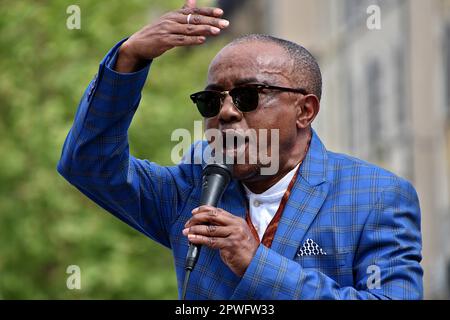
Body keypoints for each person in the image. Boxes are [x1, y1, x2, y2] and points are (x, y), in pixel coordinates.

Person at [57, 0, 423, 299]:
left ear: (305, 110)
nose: (227, 111)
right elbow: (89, 165)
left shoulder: (377, 195)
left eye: (249, 96)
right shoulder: (191, 189)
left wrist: (254, 261)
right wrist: (129, 58)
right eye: (210, 101)